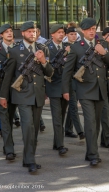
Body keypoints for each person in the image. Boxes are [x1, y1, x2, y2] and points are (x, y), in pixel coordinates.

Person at [0, 21, 53, 173]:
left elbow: (49, 72)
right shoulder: (15, 50)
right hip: (21, 94)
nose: (32, 34)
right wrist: (3, 96)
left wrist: (43, 61)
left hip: (38, 95)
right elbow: (8, 76)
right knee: (28, 126)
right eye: (29, 31)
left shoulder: (43, 48)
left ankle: (28, 158)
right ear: (22, 33)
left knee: (34, 129)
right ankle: (30, 161)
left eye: (34, 31)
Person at [62, 17, 109, 166]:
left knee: (97, 122)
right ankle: (93, 154)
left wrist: (104, 53)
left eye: (93, 29)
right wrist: (65, 90)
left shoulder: (102, 44)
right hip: (84, 89)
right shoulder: (76, 47)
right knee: (90, 121)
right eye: (89, 29)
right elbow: (67, 71)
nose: (92, 31)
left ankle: (90, 152)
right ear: (83, 31)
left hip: (100, 90)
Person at [0, 23, 17, 160]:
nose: (9, 33)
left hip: (14, 89)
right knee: (5, 121)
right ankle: (9, 150)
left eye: (11, 31)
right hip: (0, 89)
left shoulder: (18, 48)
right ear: (1, 35)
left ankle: (8, 145)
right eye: (6, 32)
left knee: (10, 119)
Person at [45, 24, 69, 155]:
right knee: (57, 117)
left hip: (65, 87)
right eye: (59, 32)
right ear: (52, 34)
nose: (61, 34)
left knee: (62, 116)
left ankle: (56, 142)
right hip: (53, 86)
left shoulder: (67, 48)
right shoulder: (47, 48)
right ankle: (60, 145)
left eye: (62, 32)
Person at [63, 26, 85, 140]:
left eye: (74, 34)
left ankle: (68, 129)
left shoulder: (78, 46)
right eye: (71, 34)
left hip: (78, 79)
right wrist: (65, 54)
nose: (73, 36)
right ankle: (80, 131)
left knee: (73, 106)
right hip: (69, 81)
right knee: (73, 106)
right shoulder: (63, 47)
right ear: (66, 35)